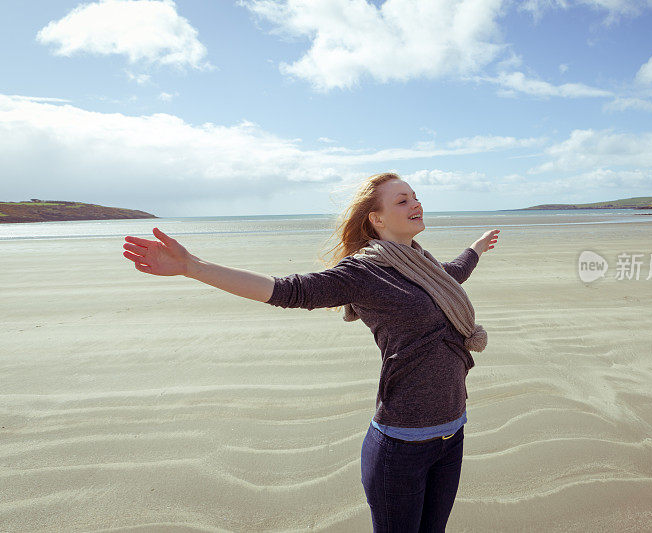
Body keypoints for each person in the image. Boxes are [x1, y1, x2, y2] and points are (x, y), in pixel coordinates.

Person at [122, 172, 500, 532]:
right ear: (377, 219)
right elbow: (287, 291)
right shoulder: (363, 273)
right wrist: (193, 266)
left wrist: (478, 247)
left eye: (416, 197)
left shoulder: (425, 265)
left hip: (452, 431)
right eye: (403, 200)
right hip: (402, 445)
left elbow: (454, 273)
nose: (415, 203)